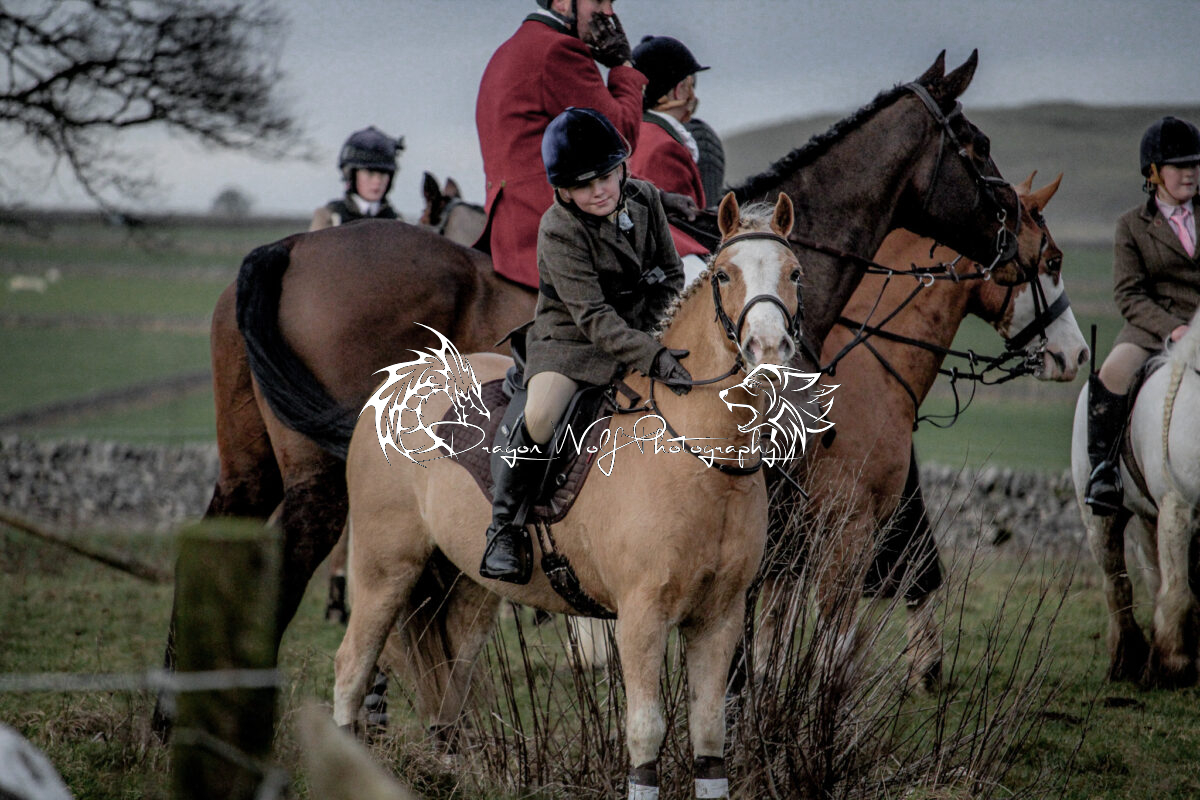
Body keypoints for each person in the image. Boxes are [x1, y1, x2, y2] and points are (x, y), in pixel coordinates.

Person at [480, 107, 689, 583]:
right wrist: (651, 356)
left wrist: (656, 335)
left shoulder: (645, 198)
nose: (598, 191)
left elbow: (671, 276)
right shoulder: (558, 229)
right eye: (583, 184)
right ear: (563, 190)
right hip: (572, 344)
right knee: (540, 416)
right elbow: (593, 318)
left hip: (642, 332)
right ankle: (504, 528)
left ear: (622, 169)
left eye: (606, 177)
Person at [474, 0, 646, 289]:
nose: (609, 13)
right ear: (563, 2)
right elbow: (620, 136)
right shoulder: (559, 50)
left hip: (508, 223)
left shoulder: (507, 51)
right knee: (688, 269)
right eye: (599, 1)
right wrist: (623, 66)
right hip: (553, 219)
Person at [1085, 115, 1200, 515]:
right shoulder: (1131, 226)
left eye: (1194, 164)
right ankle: (1103, 472)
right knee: (1113, 373)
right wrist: (1174, 329)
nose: (1190, 173)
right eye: (1179, 166)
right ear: (1153, 173)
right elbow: (1128, 294)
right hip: (1153, 329)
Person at [628, 34, 710, 278]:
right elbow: (681, 228)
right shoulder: (663, 145)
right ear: (680, 89)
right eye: (690, 84)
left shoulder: (640, 130)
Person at [309, 126, 404, 231]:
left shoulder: (397, 222)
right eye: (370, 173)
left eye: (383, 174)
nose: (377, 181)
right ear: (351, 175)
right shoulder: (332, 217)